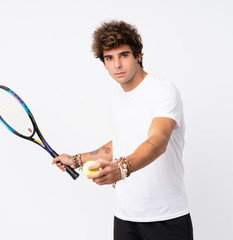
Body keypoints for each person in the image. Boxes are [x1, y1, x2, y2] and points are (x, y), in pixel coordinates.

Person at [52, 20, 193, 240]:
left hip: (166, 217)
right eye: (109, 58)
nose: (117, 64)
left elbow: (158, 140)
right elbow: (122, 142)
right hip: (125, 216)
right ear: (104, 63)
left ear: (138, 55)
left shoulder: (163, 91)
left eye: (124, 55)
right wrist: (77, 159)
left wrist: (122, 168)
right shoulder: (118, 98)